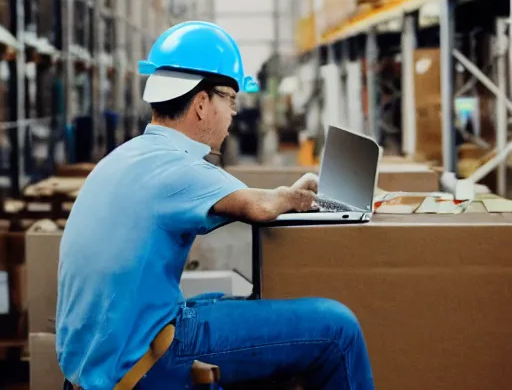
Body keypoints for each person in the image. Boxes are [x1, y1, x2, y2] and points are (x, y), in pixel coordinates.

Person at [56, 21, 375, 390]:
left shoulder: (128, 156)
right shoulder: (178, 166)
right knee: (338, 327)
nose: (235, 114)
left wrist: (284, 195)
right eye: (232, 100)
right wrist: (298, 195)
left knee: (226, 302)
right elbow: (259, 207)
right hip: (144, 364)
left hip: (97, 364)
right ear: (203, 103)